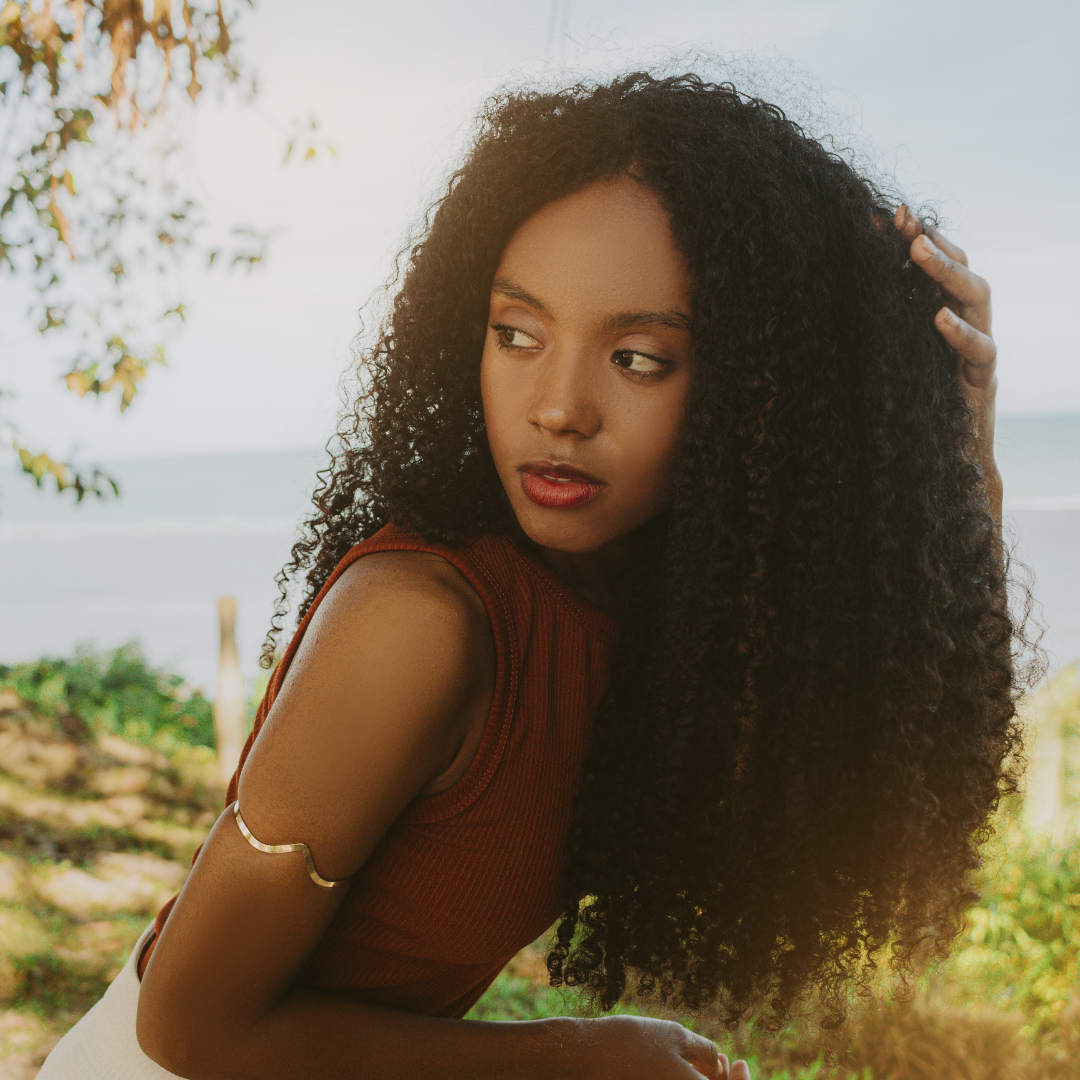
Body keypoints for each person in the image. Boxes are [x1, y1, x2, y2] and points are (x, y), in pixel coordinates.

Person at [38, 70, 1015, 1080]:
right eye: (517, 334)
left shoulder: (647, 612)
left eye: (636, 358)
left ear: (759, 393)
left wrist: (955, 465)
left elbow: (882, 738)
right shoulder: (420, 623)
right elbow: (190, 1032)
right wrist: (581, 1056)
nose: (558, 408)